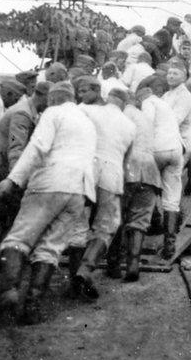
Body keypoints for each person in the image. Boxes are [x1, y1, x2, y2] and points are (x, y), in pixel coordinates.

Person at [0, 81, 97, 324]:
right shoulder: (86, 121)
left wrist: (13, 179)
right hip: (78, 190)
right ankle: (32, 307)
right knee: (51, 247)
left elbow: (37, 147)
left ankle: (8, 292)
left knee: (18, 238)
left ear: (52, 99)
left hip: (50, 182)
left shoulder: (53, 113)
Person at [72, 88, 136, 300]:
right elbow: (126, 162)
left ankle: (74, 279)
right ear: (124, 105)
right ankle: (86, 269)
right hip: (112, 172)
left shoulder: (92, 111)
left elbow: (74, 111)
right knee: (107, 225)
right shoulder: (129, 125)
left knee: (79, 224)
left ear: (108, 99)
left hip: (88, 169)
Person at [0, 82, 52, 248]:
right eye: (50, 100)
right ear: (42, 96)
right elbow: (16, 148)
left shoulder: (27, 110)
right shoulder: (22, 113)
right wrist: (17, 179)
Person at [108, 94, 162, 281]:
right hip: (150, 171)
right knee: (139, 221)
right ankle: (133, 265)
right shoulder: (145, 119)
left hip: (127, 169)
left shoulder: (121, 116)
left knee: (117, 218)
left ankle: (113, 265)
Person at [137, 87, 183, 260]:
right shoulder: (165, 104)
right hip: (175, 149)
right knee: (172, 196)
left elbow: (146, 124)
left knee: (147, 188)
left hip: (157, 148)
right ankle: (170, 244)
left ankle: (154, 222)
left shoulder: (148, 103)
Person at [162, 60, 191, 194]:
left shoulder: (184, 96)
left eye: (175, 74)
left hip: (183, 141)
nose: (171, 76)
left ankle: (174, 210)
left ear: (184, 77)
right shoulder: (167, 95)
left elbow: (175, 120)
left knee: (172, 180)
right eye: (169, 73)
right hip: (171, 140)